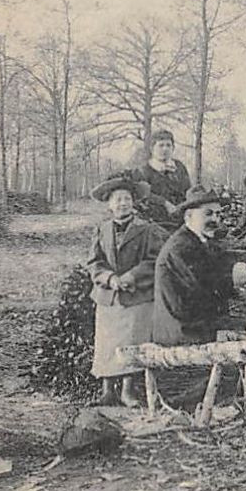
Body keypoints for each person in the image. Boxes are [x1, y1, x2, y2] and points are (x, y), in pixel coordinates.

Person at [153, 186, 246, 409]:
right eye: (208, 214)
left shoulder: (199, 242)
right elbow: (201, 291)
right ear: (189, 216)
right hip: (183, 329)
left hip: (196, 320)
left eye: (217, 214)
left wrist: (234, 284)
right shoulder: (181, 247)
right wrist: (232, 283)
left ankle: (240, 394)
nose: (215, 219)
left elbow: (213, 280)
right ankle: (223, 399)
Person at [85, 174, 167, 406]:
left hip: (137, 295)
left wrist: (130, 276)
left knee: (133, 340)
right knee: (107, 342)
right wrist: (110, 278)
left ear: (134, 203)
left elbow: (155, 260)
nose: (123, 203)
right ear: (109, 204)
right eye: (118, 199)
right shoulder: (101, 230)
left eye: (127, 199)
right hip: (108, 295)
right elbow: (94, 262)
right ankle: (107, 391)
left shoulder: (147, 229)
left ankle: (128, 392)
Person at [134, 129, 192, 227]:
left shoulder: (179, 167)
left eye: (168, 145)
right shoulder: (143, 171)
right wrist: (164, 203)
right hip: (155, 221)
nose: (165, 149)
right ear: (152, 149)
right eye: (161, 145)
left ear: (173, 148)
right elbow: (143, 195)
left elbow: (188, 190)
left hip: (180, 219)